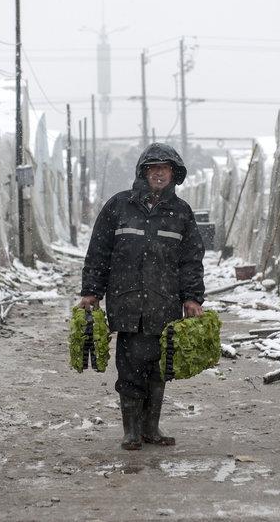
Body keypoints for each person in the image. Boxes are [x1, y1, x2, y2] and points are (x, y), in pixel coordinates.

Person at [79, 143, 205, 450]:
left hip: (164, 303)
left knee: (159, 369)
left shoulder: (181, 213)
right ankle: (131, 430)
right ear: (143, 172)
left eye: (165, 169)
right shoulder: (119, 207)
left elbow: (190, 260)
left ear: (174, 174)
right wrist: (91, 291)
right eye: (153, 168)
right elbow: (99, 252)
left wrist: (192, 298)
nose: (159, 173)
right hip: (128, 303)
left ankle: (152, 428)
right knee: (130, 367)